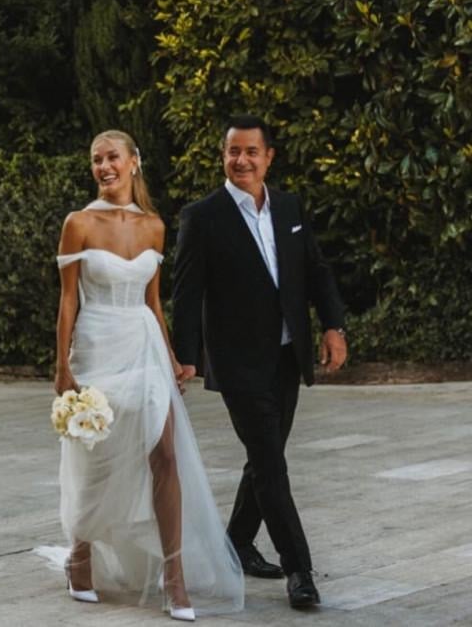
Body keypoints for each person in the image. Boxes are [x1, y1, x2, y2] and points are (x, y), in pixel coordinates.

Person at [49, 130, 243, 621]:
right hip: (97, 343)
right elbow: (68, 299)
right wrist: (62, 365)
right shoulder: (78, 223)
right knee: (96, 455)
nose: (104, 166)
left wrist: (173, 357)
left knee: (165, 454)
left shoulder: (154, 225)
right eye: (96, 159)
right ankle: (80, 555)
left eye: (112, 157)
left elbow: (153, 301)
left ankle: (174, 576)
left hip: (144, 344)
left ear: (134, 162)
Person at [171, 115, 347, 609]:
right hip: (238, 362)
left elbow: (315, 269)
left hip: (287, 355)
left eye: (251, 151)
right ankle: (300, 570)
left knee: (265, 456)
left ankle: (237, 544)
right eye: (233, 151)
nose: (241, 160)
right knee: (271, 463)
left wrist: (334, 325)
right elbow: (187, 293)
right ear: (223, 156)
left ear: (268, 157)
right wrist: (185, 356)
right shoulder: (202, 217)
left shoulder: (289, 206)